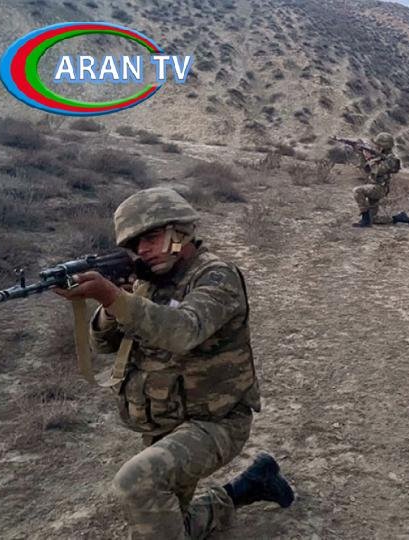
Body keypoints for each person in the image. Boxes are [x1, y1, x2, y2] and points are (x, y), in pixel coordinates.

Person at [55, 186, 294, 539]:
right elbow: (102, 345)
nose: (142, 250)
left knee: (138, 482)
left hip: (217, 421)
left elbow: (184, 331)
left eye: (151, 238)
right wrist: (111, 304)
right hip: (165, 421)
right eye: (135, 244)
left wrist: (114, 296)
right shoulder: (149, 283)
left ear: (180, 232)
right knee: (165, 522)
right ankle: (248, 486)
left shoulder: (217, 276)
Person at [351, 132, 409, 228]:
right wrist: (361, 153)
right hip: (373, 185)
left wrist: (369, 158)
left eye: (379, 144)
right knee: (374, 219)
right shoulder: (379, 156)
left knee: (357, 191)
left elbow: (378, 170)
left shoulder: (391, 159)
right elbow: (365, 168)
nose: (377, 146)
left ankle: (365, 221)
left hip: (380, 188)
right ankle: (399, 218)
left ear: (385, 145)